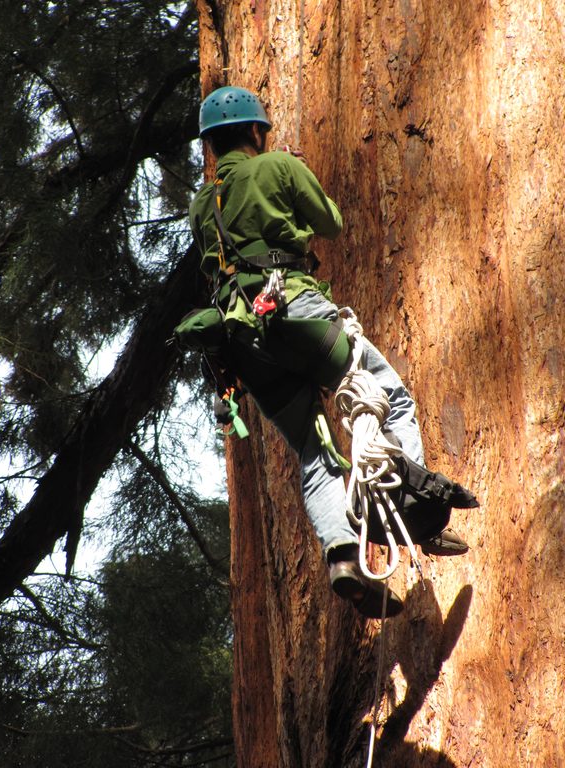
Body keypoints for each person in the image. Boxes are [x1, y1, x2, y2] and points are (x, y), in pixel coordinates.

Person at [188, 86, 471, 619]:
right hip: (295, 313)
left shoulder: (201, 204)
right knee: (390, 399)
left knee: (315, 453)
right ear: (256, 131)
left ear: (209, 144)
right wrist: (295, 173)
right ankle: (410, 509)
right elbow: (332, 224)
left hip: (245, 345)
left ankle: (342, 556)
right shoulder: (276, 166)